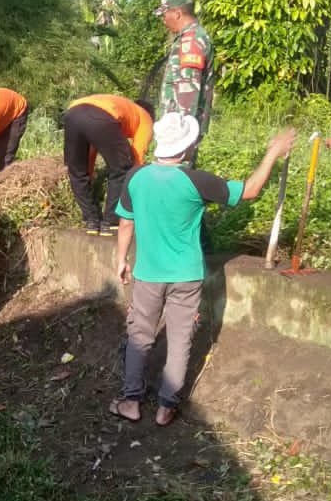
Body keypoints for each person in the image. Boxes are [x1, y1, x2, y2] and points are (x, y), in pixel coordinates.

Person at [111, 114, 296, 427]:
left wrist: (121, 259)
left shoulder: (136, 177)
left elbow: (126, 222)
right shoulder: (197, 181)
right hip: (187, 273)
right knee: (181, 337)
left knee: (139, 334)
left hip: (148, 273)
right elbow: (249, 190)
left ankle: (131, 401)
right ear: (186, 148)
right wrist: (273, 153)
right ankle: (166, 407)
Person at [62, 94, 154, 236]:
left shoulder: (123, 108)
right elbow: (137, 157)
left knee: (77, 172)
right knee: (123, 168)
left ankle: (91, 221)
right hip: (101, 116)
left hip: (72, 114)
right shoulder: (145, 117)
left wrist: (89, 174)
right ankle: (111, 222)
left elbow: (90, 152)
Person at [154, 0, 214, 161]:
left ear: (177, 14)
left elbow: (188, 90)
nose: (164, 20)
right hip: (177, 128)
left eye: (165, 15)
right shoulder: (189, 37)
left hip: (180, 130)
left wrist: (181, 133)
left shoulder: (191, 40)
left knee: (177, 177)